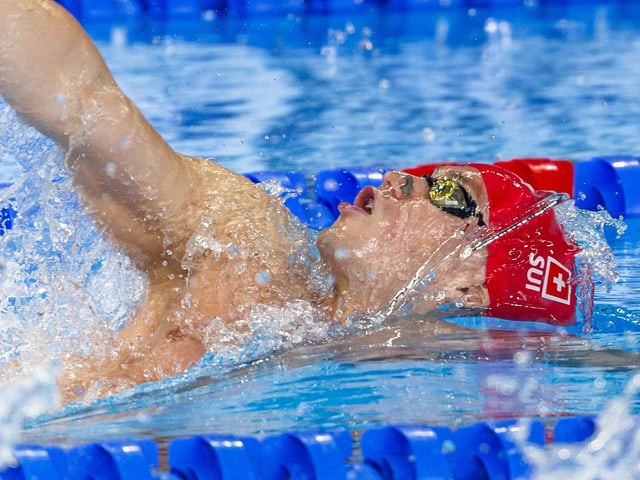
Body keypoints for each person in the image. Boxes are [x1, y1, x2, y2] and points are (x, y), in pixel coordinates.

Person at [0, 0, 580, 403]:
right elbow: (83, 107)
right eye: (424, 174)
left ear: (468, 287)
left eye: (449, 192)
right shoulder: (240, 246)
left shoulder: (416, 395)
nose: (400, 178)